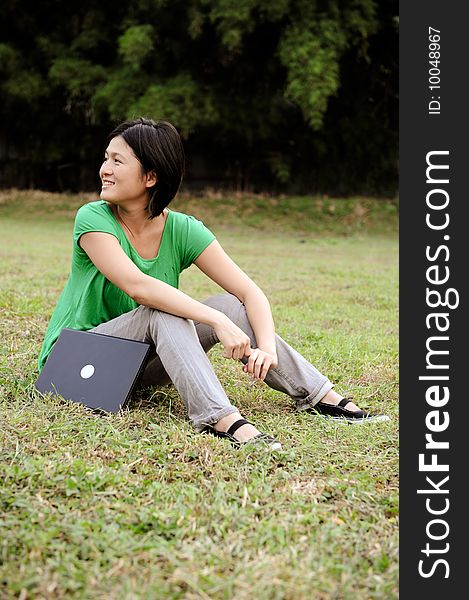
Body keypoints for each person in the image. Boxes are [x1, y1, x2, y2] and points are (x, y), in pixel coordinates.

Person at [38, 117, 389, 451]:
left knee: (229, 304)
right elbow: (137, 287)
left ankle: (319, 396)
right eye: (106, 158)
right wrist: (217, 323)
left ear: (150, 177)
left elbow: (250, 293)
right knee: (165, 310)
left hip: (134, 368)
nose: (105, 169)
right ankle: (219, 418)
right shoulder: (93, 217)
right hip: (74, 364)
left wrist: (264, 346)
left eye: (117, 161)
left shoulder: (182, 229)